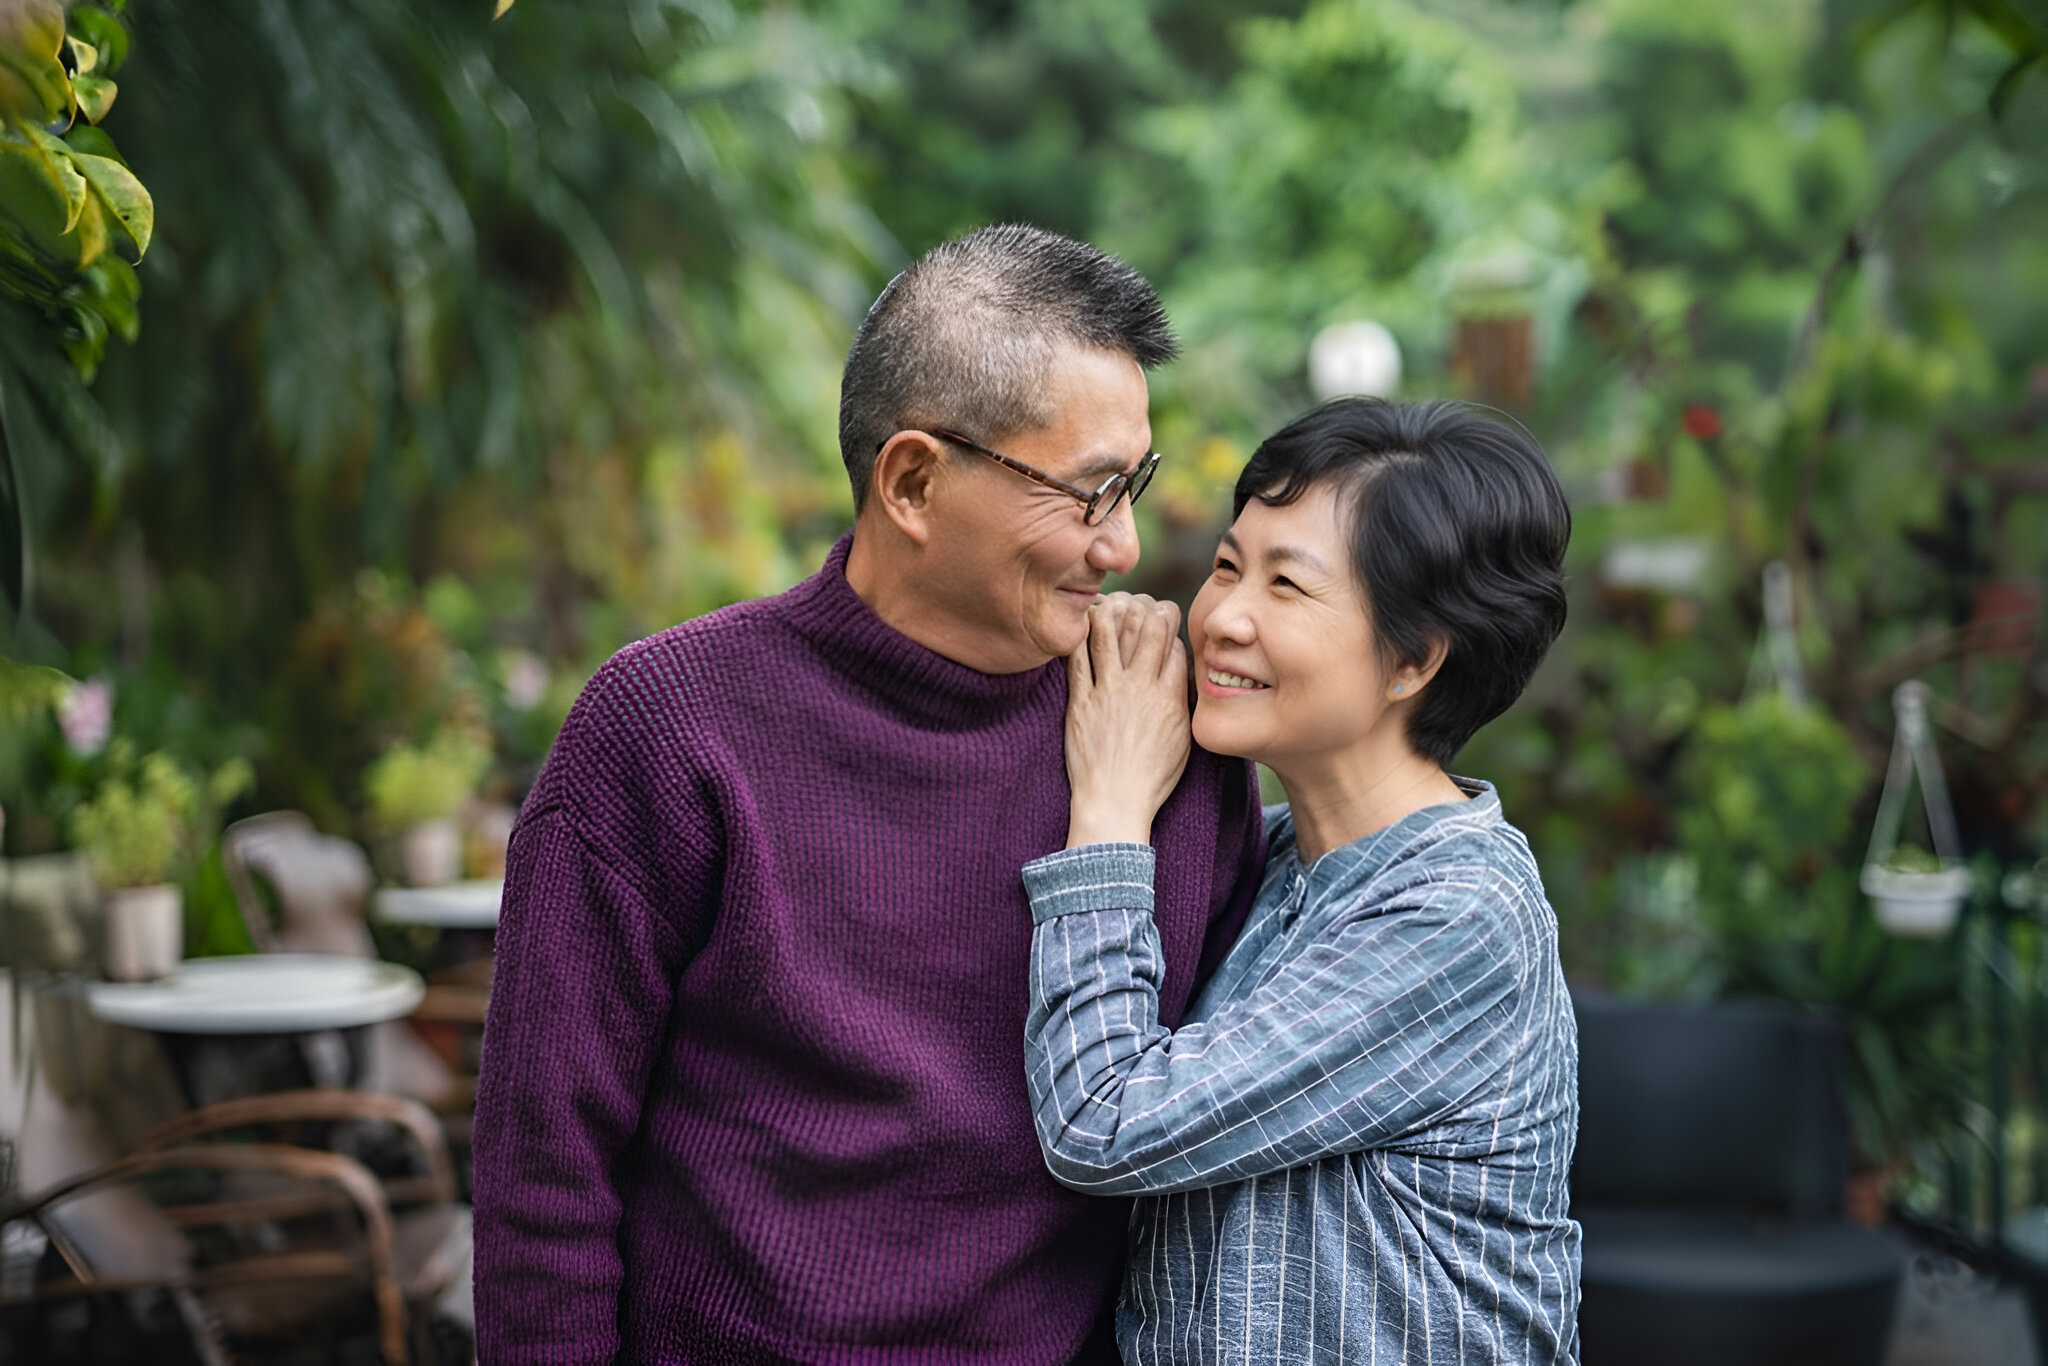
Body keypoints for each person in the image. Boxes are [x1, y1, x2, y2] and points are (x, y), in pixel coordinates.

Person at [470, 224, 1265, 1364]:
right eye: (1089, 495)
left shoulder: (1165, 743)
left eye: (1130, 487)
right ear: (912, 481)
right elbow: (544, 1179)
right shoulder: (666, 726)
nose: (1123, 546)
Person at [1020, 398, 1582, 1364]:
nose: (1222, 618)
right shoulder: (1270, 860)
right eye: (1230, 566)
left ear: (1414, 660)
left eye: (1288, 586)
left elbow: (1104, 1122)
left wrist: (1108, 809)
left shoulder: (1457, 915)